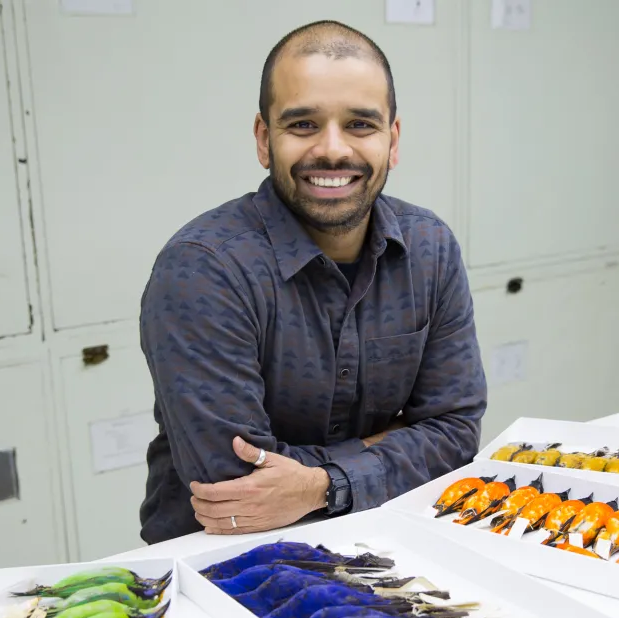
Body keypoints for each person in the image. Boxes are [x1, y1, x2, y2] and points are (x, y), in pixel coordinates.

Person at [137, 19, 487, 544]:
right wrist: (389, 448)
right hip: (223, 557)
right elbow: (233, 481)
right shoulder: (204, 269)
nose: (332, 150)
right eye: (302, 125)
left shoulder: (429, 248)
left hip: (385, 540)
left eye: (360, 125)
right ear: (264, 138)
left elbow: (457, 435)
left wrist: (318, 485)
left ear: (392, 141)